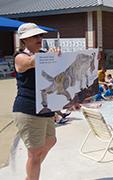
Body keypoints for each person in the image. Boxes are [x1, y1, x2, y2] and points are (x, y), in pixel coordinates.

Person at [13, 23, 59, 180]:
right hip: (28, 109)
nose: (39, 38)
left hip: (45, 108)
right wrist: (50, 56)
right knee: (34, 153)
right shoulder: (20, 57)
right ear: (24, 40)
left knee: (51, 140)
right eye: (35, 36)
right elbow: (31, 62)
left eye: (40, 35)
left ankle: (31, 174)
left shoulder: (45, 54)